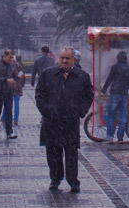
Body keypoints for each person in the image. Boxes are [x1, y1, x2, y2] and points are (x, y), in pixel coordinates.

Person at [35, 46, 93, 193]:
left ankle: (73, 180)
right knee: (53, 151)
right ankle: (55, 178)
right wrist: (46, 111)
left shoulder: (82, 76)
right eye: (62, 58)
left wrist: (80, 111)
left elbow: (88, 96)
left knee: (71, 151)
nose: (65, 61)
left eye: (68, 58)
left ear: (74, 59)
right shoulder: (47, 74)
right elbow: (40, 94)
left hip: (70, 120)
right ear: (58, 58)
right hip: (52, 120)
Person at [100, 51, 129, 143]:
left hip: (115, 93)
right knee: (123, 116)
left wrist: (104, 89)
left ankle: (110, 137)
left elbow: (109, 80)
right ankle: (120, 137)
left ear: (118, 58)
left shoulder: (114, 67)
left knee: (111, 115)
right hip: (124, 94)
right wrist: (125, 88)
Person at [0, 49, 18, 139]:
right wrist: (6, 80)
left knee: (9, 111)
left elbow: (15, 75)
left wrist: (18, 78)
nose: (11, 59)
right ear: (5, 56)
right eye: (10, 57)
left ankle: (9, 132)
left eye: (12, 58)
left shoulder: (13, 65)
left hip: (8, 90)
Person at [3, 54, 25, 127]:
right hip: (18, 87)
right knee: (16, 104)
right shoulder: (19, 67)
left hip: (9, 87)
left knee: (7, 103)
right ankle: (16, 120)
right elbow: (22, 77)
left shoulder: (8, 67)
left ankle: (4, 118)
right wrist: (21, 84)